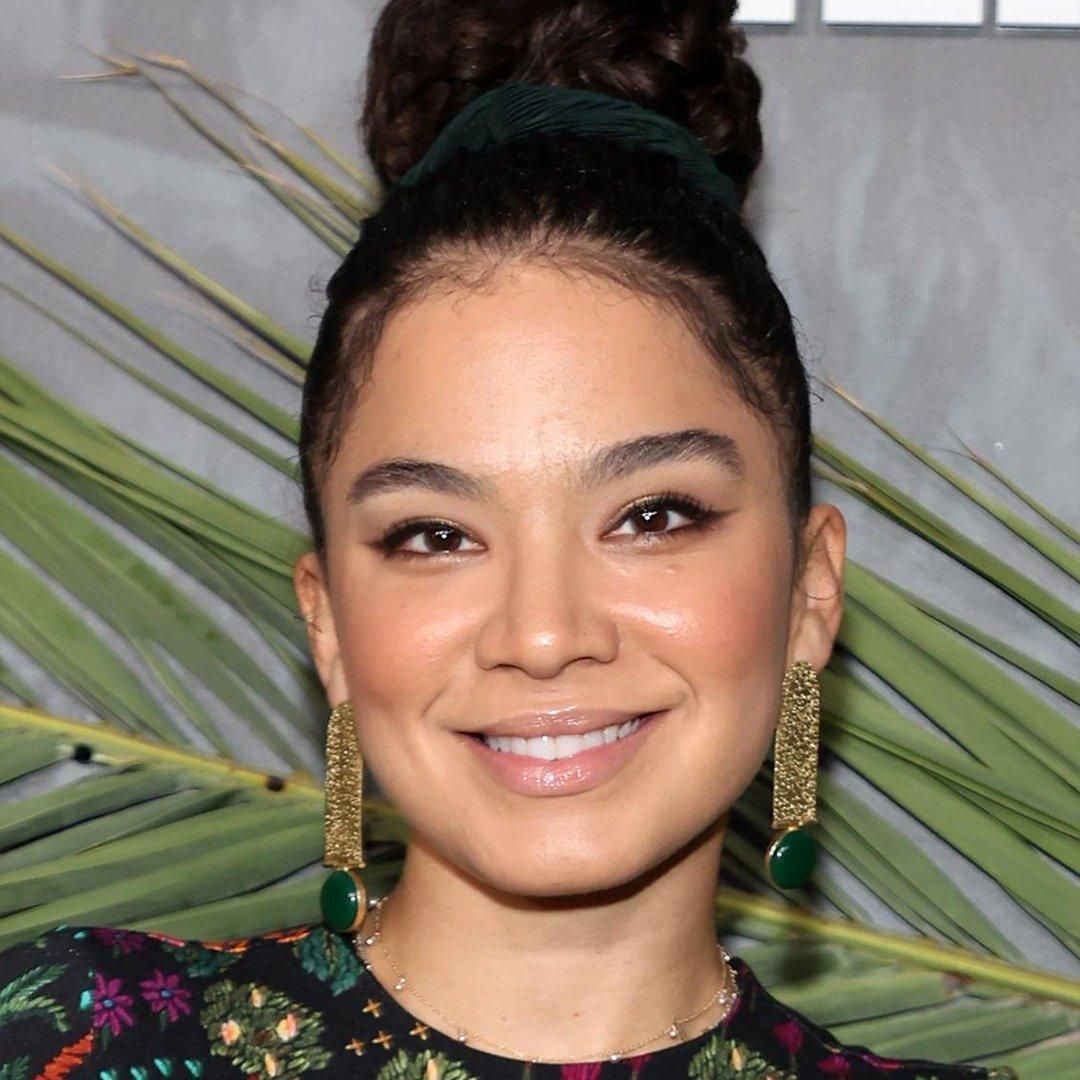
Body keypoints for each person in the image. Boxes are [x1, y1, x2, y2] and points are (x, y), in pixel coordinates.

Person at [0, 2, 1022, 1077]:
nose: (542, 635)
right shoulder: (71, 1041)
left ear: (811, 593)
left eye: (651, 517)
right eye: (437, 535)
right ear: (328, 622)